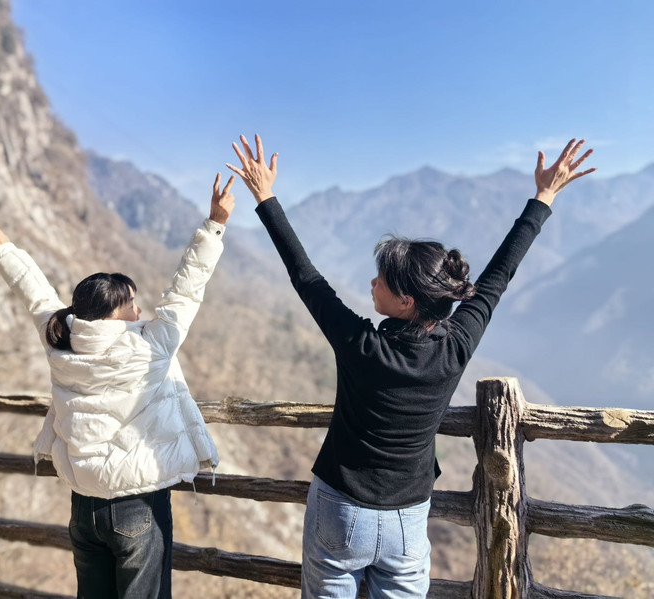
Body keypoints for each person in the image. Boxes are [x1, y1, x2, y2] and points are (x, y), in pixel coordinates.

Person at [227, 135, 594, 598]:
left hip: (341, 508)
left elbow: (307, 278)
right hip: (406, 520)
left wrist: (265, 197)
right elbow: (498, 279)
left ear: (405, 300)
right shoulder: (454, 346)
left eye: (382, 279)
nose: (372, 282)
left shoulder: (362, 345)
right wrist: (543, 198)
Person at [0, 173, 236, 599]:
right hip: (138, 506)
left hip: (83, 507)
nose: (139, 308)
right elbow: (186, 290)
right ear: (115, 312)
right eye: (131, 301)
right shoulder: (151, 345)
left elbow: (38, 297)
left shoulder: (61, 338)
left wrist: (5, 251)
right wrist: (214, 224)